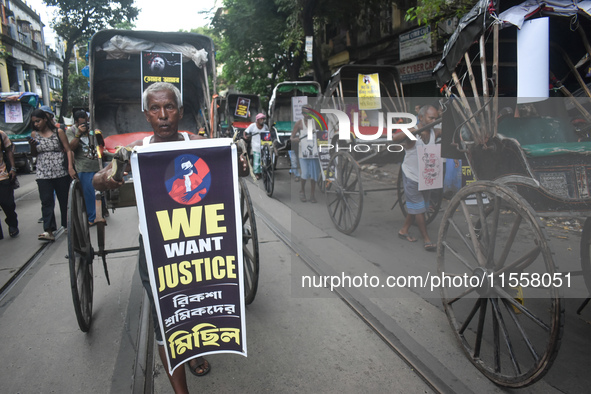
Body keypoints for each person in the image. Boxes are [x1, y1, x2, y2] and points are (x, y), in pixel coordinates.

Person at [93, 82, 248, 394]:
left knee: (198, 306)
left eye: (169, 107)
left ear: (180, 111)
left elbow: (237, 167)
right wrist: (110, 175)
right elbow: (100, 178)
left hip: (202, 247)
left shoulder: (202, 144)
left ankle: (195, 349)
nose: (163, 115)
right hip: (158, 250)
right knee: (166, 318)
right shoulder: (137, 150)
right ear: (146, 114)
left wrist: (241, 162)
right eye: (155, 108)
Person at [392, 105, 441, 251]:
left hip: (426, 176)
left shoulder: (435, 132)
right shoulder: (413, 132)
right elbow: (395, 138)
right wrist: (411, 131)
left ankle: (404, 230)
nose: (434, 121)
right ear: (420, 118)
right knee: (419, 209)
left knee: (420, 206)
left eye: (435, 118)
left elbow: (450, 133)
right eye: (431, 118)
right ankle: (426, 239)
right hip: (411, 175)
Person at [29, 108, 76, 241]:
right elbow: (34, 154)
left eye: (38, 121)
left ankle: (67, 225)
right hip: (43, 172)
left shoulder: (58, 132)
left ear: (44, 119)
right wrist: (32, 146)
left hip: (60, 171)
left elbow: (68, 150)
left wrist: (70, 167)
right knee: (46, 201)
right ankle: (48, 230)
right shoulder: (34, 134)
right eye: (34, 122)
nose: (36, 124)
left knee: (64, 199)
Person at [67, 110, 103, 226]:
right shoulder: (70, 131)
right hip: (83, 166)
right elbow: (71, 147)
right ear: (76, 122)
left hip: (97, 164)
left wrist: (94, 133)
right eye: (82, 123)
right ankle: (93, 217)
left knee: (100, 191)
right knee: (89, 193)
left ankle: (102, 211)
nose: (84, 125)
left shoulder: (93, 129)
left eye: (86, 122)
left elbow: (102, 144)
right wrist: (78, 134)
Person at [291, 109, 320, 203]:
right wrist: (296, 139)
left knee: (314, 174)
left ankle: (312, 195)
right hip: (303, 152)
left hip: (313, 152)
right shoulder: (299, 123)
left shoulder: (315, 123)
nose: (308, 114)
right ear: (303, 113)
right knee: (305, 173)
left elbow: (320, 135)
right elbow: (292, 137)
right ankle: (302, 190)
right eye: (306, 112)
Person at [0, 130, 19, 239]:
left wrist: (13, 168)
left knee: (7, 203)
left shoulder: (1, 134)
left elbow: (8, 150)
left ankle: (12, 224)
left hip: (2, 174)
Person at [243, 113, 268, 180]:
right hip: (255, 145)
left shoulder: (265, 126)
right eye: (261, 119)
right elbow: (245, 131)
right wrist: (245, 136)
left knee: (264, 159)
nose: (262, 120)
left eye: (263, 119)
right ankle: (257, 173)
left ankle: (263, 171)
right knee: (257, 160)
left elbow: (268, 134)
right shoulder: (253, 126)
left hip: (263, 145)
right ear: (258, 120)